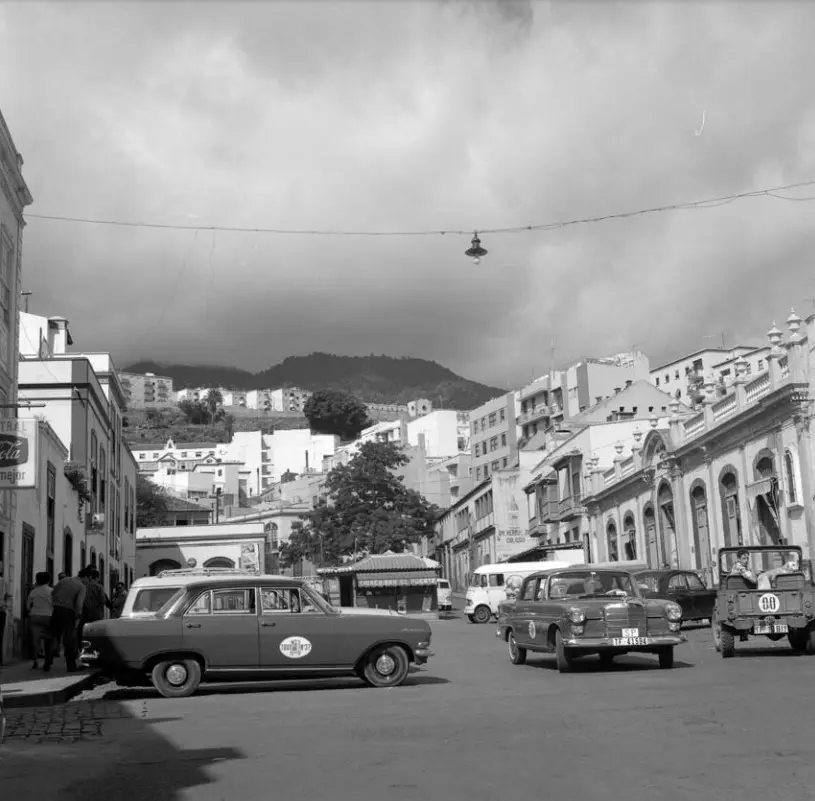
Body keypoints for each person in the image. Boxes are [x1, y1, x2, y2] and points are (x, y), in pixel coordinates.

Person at [45, 572, 86, 673]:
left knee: (52, 636)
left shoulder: (64, 580)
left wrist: (56, 603)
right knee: (69, 639)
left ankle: (47, 662)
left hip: (56, 610)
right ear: (86, 577)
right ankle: (71, 666)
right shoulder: (81, 587)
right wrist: (78, 616)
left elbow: (53, 593)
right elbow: (79, 604)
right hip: (68, 612)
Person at [27, 572, 54, 670]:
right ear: (48, 580)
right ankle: (47, 662)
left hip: (35, 617)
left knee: (35, 640)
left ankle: (35, 661)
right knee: (49, 640)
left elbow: (28, 607)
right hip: (49, 617)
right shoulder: (52, 591)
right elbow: (54, 605)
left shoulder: (33, 592)